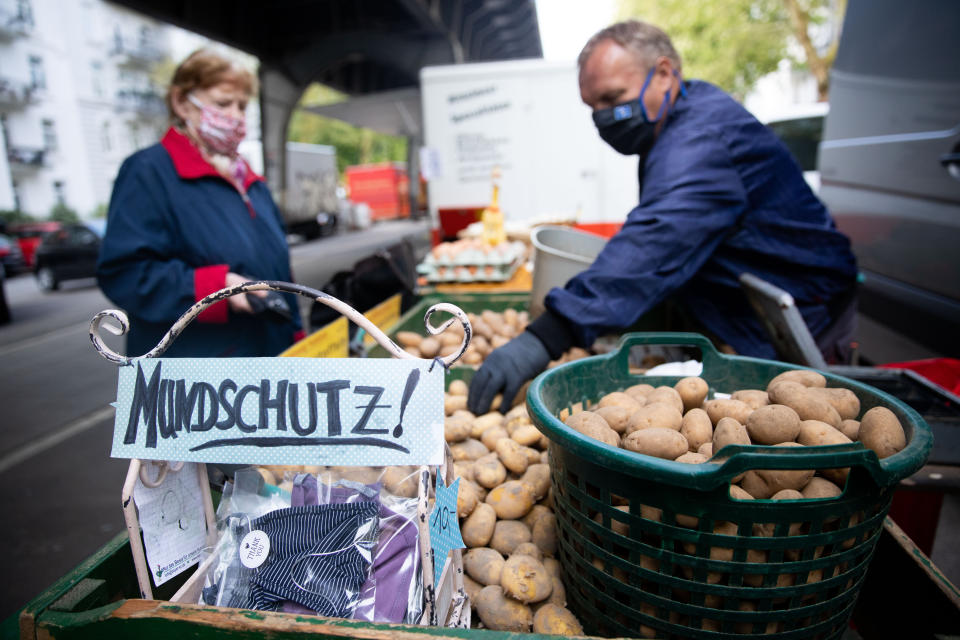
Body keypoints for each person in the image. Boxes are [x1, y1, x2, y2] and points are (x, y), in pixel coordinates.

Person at [468, 20, 858, 414]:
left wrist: (549, 334)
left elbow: (657, 239)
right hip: (749, 315)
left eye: (612, 97)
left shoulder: (701, 139)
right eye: (593, 107)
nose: (603, 117)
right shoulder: (675, 126)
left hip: (804, 316)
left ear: (665, 74)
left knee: (807, 428)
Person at [98, 49, 303, 357]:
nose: (235, 115)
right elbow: (126, 273)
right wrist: (218, 288)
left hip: (271, 357)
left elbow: (281, 273)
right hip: (202, 379)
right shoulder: (149, 172)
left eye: (242, 106)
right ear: (182, 103)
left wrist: (295, 331)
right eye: (223, 103)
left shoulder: (251, 181)